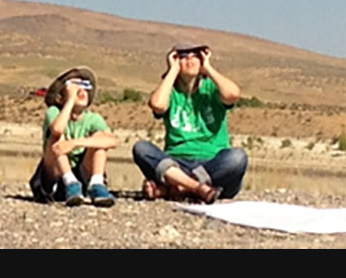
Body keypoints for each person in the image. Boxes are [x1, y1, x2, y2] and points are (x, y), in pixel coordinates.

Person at [132, 42, 248, 203]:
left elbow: (233, 94)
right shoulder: (170, 93)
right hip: (176, 164)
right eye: (184, 56)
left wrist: (208, 68)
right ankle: (197, 189)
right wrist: (172, 71)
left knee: (237, 157)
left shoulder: (211, 89)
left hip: (213, 165)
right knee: (141, 148)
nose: (190, 60)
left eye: (196, 56)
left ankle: (177, 188)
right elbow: (157, 105)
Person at [28, 66, 119, 207]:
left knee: (99, 139)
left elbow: (112, 141)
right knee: (56, 138)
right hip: (55, 175)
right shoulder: (54, 112)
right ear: (60, 97)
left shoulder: (93, 119)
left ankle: (96, 183)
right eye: (75, 87)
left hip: (81, 172)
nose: (81, 91)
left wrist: (76, 143)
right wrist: (70, 100)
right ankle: (70, 181)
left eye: (85, 86)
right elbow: (57, 130)